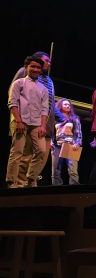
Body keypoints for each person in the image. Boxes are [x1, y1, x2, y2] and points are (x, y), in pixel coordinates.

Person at [9, 51, 64, 186]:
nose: (49, 63)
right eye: (46, 60)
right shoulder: (24, 72)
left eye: (50, 61)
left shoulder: (49, 81)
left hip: (45, 124)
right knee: (25, 155)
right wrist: (18, 119)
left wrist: (62, 117)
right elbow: (13, 94)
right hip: (26, 121)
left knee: (42, 155)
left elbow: (49, 103)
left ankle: (31, 181)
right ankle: (19, 183)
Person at [5, 56, 49, 188]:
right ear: (26, 67)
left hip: (36, 123)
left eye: (38, 67)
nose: (35, 69)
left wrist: (43, 125)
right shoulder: (18, 83)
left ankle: (31, 178)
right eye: (33, 66)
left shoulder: (43, 89)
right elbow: (12, 103)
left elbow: (44, 109)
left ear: (41, 70)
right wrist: (18, 121)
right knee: (17, 152)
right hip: (21, 121)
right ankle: (11, 181)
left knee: (41, 150)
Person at [51, 99, 82, 185]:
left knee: (73, 171)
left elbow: (78, 132)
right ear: (60, 105)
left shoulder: (74, 118)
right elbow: (51, 131)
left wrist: (77, 143)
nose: (68, 106)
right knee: (55, 171)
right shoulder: (55, 118)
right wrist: (50, 142)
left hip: (70, 145)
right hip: (57, 146)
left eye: (69, 105)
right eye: (65, 104)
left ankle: (74, 192)